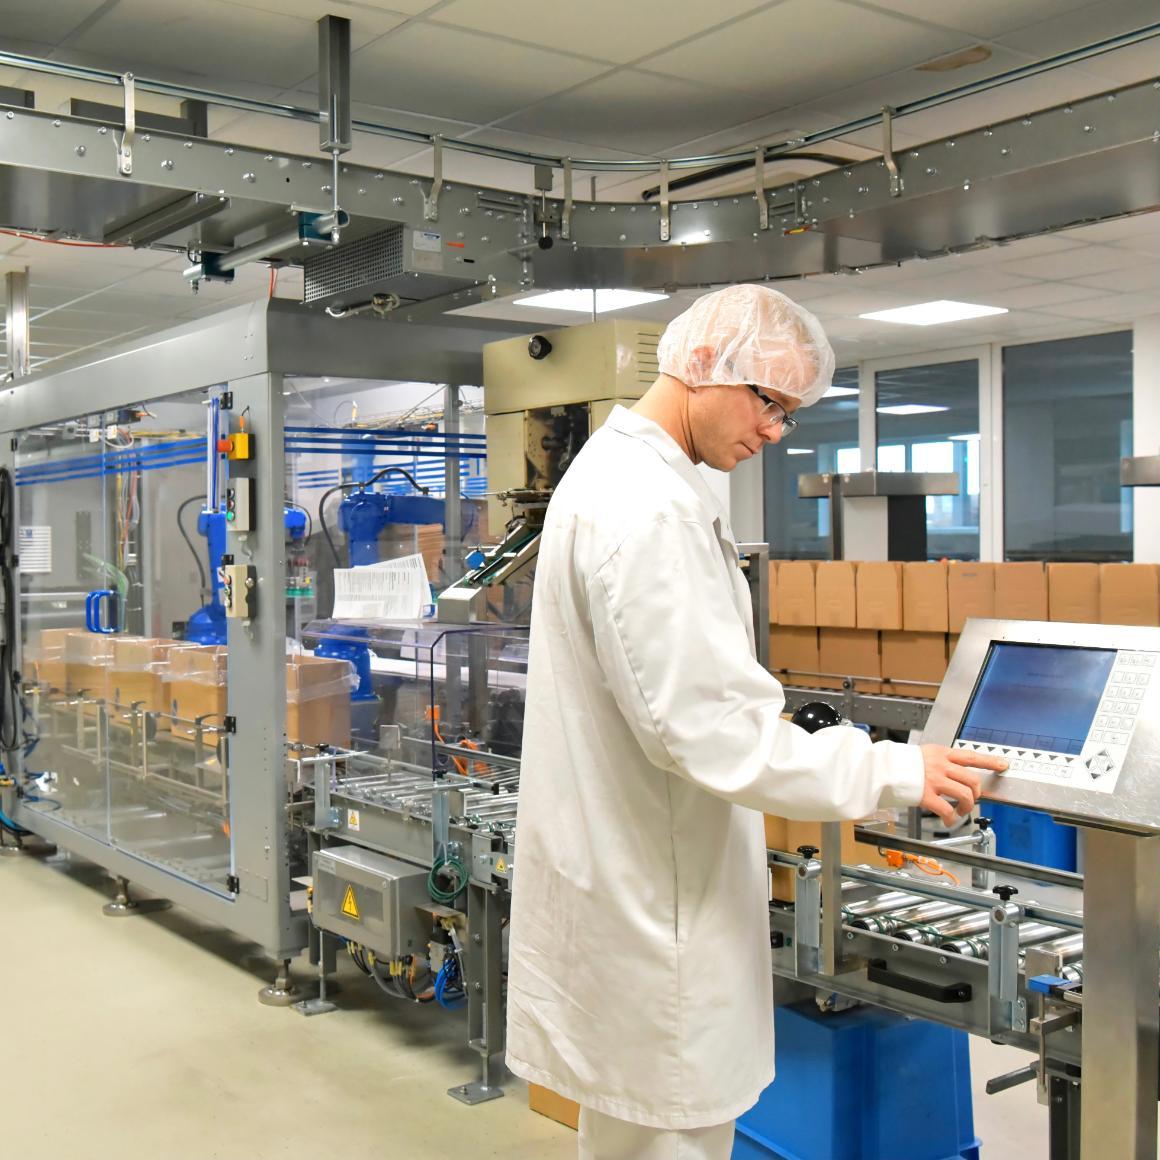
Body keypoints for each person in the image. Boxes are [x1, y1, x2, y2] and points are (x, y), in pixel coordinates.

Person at [504, 284, 1006, 1160]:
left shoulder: (624, 474)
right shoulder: (648, 508)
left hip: (632, 887)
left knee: (632, 1138)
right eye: (769, 402)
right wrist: (895, 771)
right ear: (702, 367)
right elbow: (713, 734)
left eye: (790, 412)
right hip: (656, 910)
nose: (777, 431)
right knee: (669, 1137)